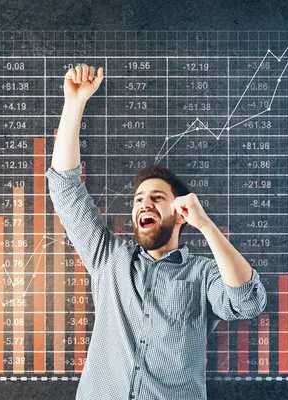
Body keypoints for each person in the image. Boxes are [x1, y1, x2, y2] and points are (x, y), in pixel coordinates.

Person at [45, 63, 267, 399]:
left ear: (179, 213)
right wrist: (74, 104)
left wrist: (205, 225)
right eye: (138, 199)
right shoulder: (110, 258)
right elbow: (65, 188)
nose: (144, 204)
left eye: (157, 197)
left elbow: (247, 302)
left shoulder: (204, 274)